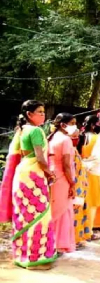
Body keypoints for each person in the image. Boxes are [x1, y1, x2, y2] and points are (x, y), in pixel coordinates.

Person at [10, 100, 59, 269]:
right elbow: (40, 158)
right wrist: (50, 173)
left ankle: (22, 255)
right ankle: (35, 260)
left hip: (23, 173)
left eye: (44, 112)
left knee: (25, 215)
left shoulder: (22, 130)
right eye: (39, 112)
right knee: (40, 216)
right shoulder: (36, 131)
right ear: (29, 115)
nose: (43, 115)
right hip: (34, 175)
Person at [48, 113, 78, 254]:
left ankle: (49, 241)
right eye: (72, 123)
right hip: (62, 178)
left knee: (53, 209)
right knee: (63, 211)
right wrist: (72, 183)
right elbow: (66, 165)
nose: (75, 126)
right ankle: (59, 244)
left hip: (53, 177)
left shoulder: (52, 137)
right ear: (63, 124)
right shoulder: (65, 139)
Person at [79, 115, 100, 240]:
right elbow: (98, 158)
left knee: (81, 202)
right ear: (93, 125)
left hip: (80, 172)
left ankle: (80, 230)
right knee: (91, 205)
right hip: (93, 173)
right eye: (99, 123)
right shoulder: (98, 139)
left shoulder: (80, 136)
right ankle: (88, 232)